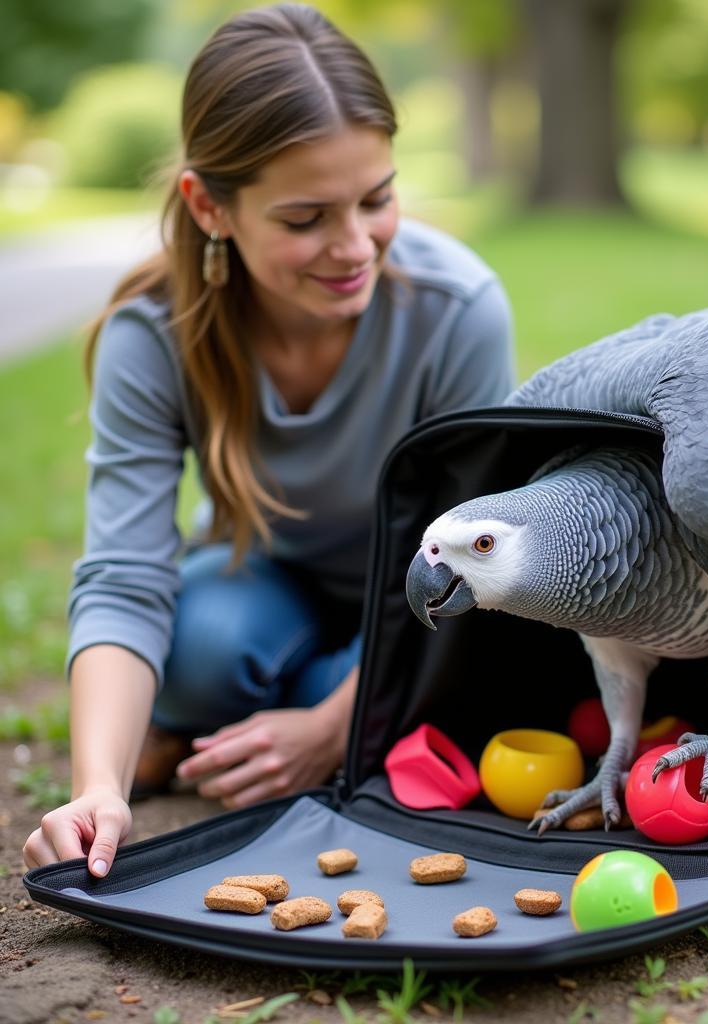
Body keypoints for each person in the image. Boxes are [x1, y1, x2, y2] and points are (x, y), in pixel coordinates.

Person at [22, 4, 514, 878]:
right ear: (210, 206)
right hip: (265, 587)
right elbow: (125, 575)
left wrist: (330, 731)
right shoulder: (155, 332)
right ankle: (297, 715)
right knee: (196, 651)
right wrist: (99, 784)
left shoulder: (458, 312)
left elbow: (470, 577)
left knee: (477, 677)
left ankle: (305, 716)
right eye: (305, 218)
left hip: (420, 611)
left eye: (378, 198)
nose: (354, 245)